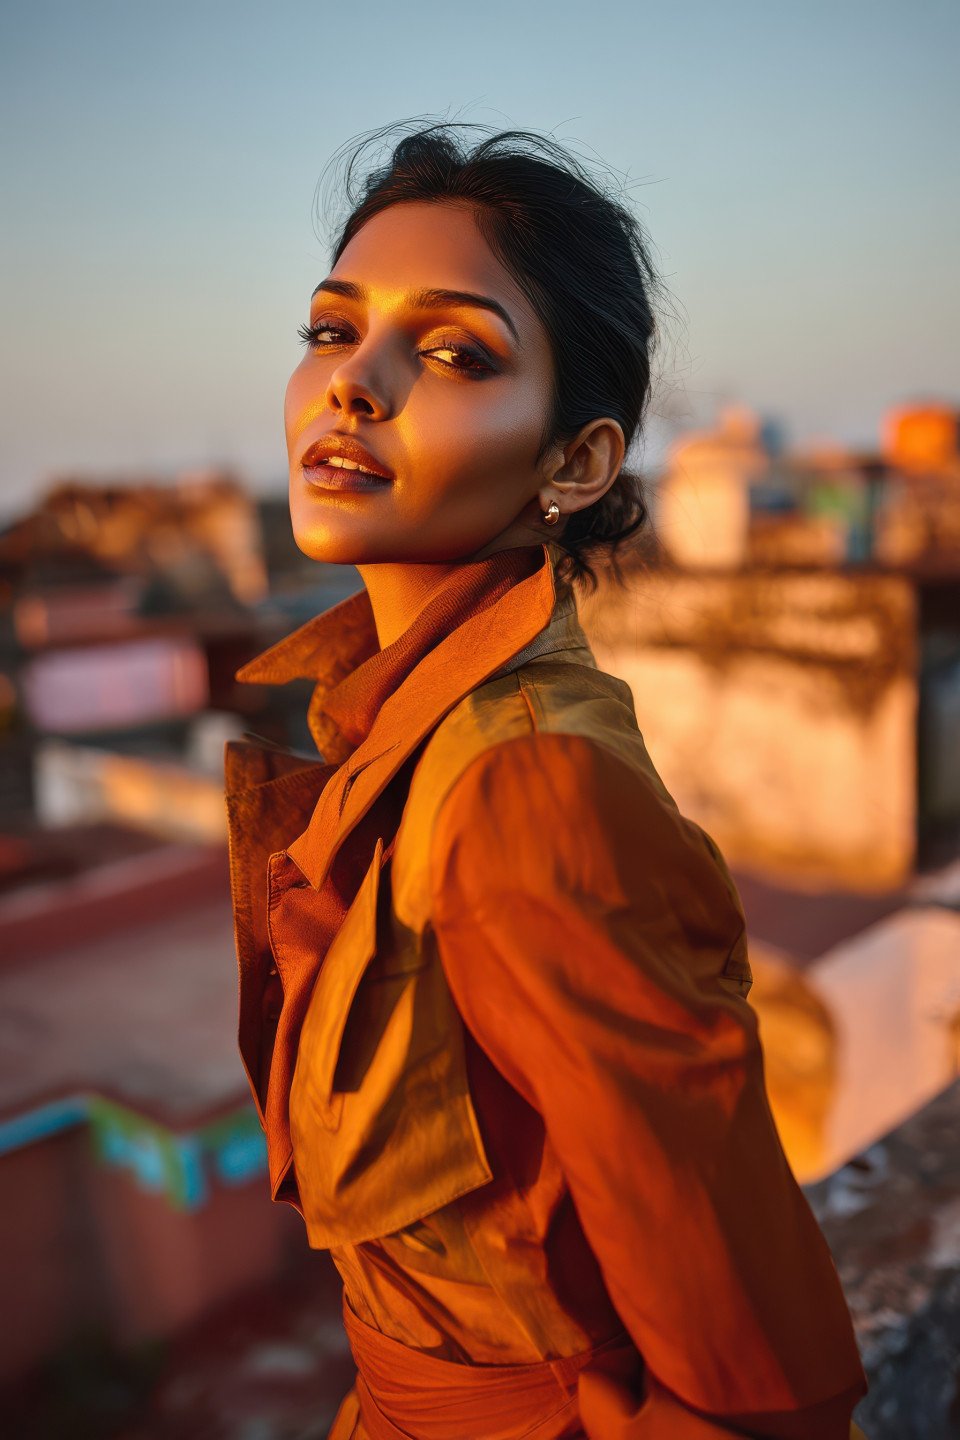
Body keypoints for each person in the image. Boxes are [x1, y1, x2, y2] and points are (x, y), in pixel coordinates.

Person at [224, 123, 869, 1440]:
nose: (354, 386)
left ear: (574, 462)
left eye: (453, 351)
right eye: (332, 331)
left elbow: (761, 1369)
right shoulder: (395, 727)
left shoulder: (529, 786)